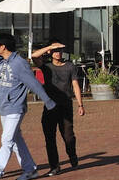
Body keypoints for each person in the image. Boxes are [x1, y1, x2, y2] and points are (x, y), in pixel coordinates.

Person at [0, 33, 56, 180]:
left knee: (6, 140)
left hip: (15, 108)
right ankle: (30, 170)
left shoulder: (19, 63)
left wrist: (47, 101)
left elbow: (33, 83)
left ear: (3, 46)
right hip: (5, 108)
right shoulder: (3, 62)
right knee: (15, 140)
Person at [30, 40, 84, 172]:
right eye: (55, 51)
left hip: (65, 106)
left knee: (68, 136)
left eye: (59, 50)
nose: (58, 53)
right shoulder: (47, 66)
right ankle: (54, 166)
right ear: (50, 52)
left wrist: (80, 104)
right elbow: (34, 56)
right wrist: (50, 46)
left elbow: (75, 85)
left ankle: (72, 155)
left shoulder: (70, 66)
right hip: (50, 107)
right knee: (50, 137)